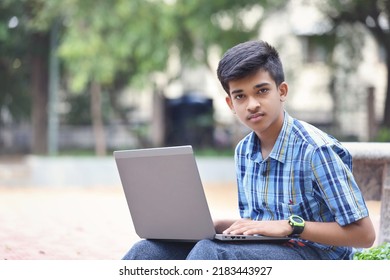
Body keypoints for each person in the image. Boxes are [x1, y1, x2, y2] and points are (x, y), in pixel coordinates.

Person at [122, 40, 375, 260]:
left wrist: (291, 226)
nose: (252, 104)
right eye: (240, 96)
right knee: (147, 252)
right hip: (268, 250)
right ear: (231, 103)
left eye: (262, 91)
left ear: (282, 91)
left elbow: (364, 235)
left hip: (316, 257)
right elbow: (261, 228)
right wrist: (221, 225)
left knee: (211, 254)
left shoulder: (316, 150)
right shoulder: (244, 151)